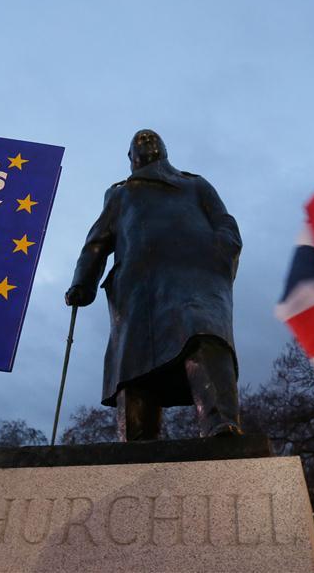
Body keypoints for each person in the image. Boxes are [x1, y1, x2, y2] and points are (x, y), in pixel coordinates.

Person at [65, 129, 242, 440]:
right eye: (139, 141)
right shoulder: (120, 194)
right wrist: (83, 282)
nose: (145, 138)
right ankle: (136, 441)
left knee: (204, 334)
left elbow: (224, 221)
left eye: (151, 138)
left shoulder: (195, 184)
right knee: (134, 364)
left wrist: (221, 250)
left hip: (196, 275)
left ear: (165, 150)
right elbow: (96, 243)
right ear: (131, 159)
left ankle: (219, 423)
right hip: (138, 288)